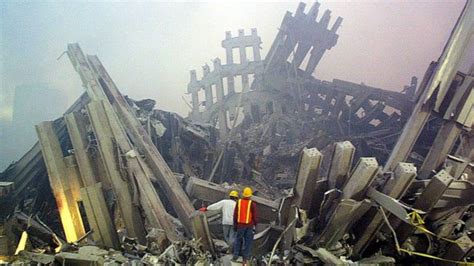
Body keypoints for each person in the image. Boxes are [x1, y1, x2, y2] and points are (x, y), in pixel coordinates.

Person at [233, 187, 258, 264]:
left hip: (240, 225)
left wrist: (235, 225)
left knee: (238, 240)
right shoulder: (252, 204)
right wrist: (255, 224)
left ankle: (235, 256)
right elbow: (255, 215)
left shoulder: (239, 202)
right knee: (248, 242)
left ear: (243, 195)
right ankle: (245, 258)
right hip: (249, 225)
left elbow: (235, 214)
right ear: (250, 195)